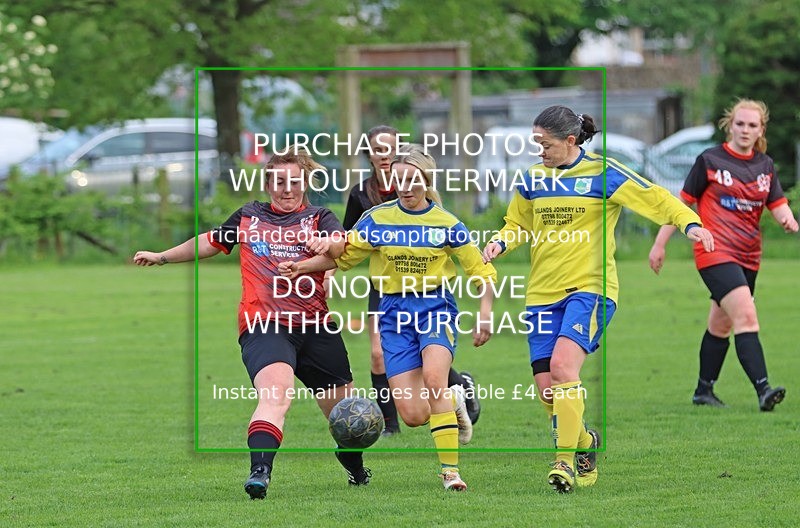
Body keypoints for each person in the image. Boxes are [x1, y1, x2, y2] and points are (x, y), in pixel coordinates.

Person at [481, 105, 715, 493]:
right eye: (536, 142)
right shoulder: (532, 179)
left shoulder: (603, 173)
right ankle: (586, 443)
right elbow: (518, 223)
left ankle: (564, 462)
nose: (538, 150)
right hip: (541, 294)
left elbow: (656, 198)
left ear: (570, 141)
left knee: (562, 368)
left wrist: (690, 224)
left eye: (545, 143)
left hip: (590, 289)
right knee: (547, 390)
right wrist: (500, 242)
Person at [133, 147, 372, 500]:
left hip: (316, 327)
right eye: (278, 181)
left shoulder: (320, 217)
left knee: (344, 417)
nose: (286, 189)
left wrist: (327, 243)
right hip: (264, 324)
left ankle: (353, 465)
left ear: (305, 182)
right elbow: (211, 242)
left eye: (293, 181)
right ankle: (260, 472)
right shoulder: (249, 216)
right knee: (276, 394)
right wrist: (163, 256)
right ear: (267, 183)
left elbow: (338, 247)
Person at [280, 144, 496, 491]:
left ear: (426, 180)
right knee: (412, 416)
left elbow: (481, 271)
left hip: (435, 307)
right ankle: (456, 400)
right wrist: (302, 266)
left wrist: (485, 314)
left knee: (435, 379)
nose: (405, 187)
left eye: (412, 180)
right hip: (393, 313)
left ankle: (450, 473)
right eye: (398, 180)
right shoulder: (377, 218)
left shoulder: (447, 223)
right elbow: (343, 257)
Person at [649, 99, 797, 411]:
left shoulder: (765, 166)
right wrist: (660, 244)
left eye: (752, 125)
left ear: (761, 130)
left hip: (749, 256)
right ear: (730, 125)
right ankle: (764, 390)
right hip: (714, 252)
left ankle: (704, 391)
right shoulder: (710, 160)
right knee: (746, 316)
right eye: (740, 124)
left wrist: (788, 219)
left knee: (721, 324)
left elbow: (777, 202)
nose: (745, 130)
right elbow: (682, 204)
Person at [342, 125, 481, 436]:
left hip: (428, 294)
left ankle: (452, 392)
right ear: (370, 155)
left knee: (430, 364)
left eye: (389, 149)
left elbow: (468, 259)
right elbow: (346, 243)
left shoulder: (420, 193)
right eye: (378, 149)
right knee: (379, 354)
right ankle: (394, 423)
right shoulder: (362, 195)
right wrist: (322, 267)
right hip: (385, 288)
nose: (384, 155)